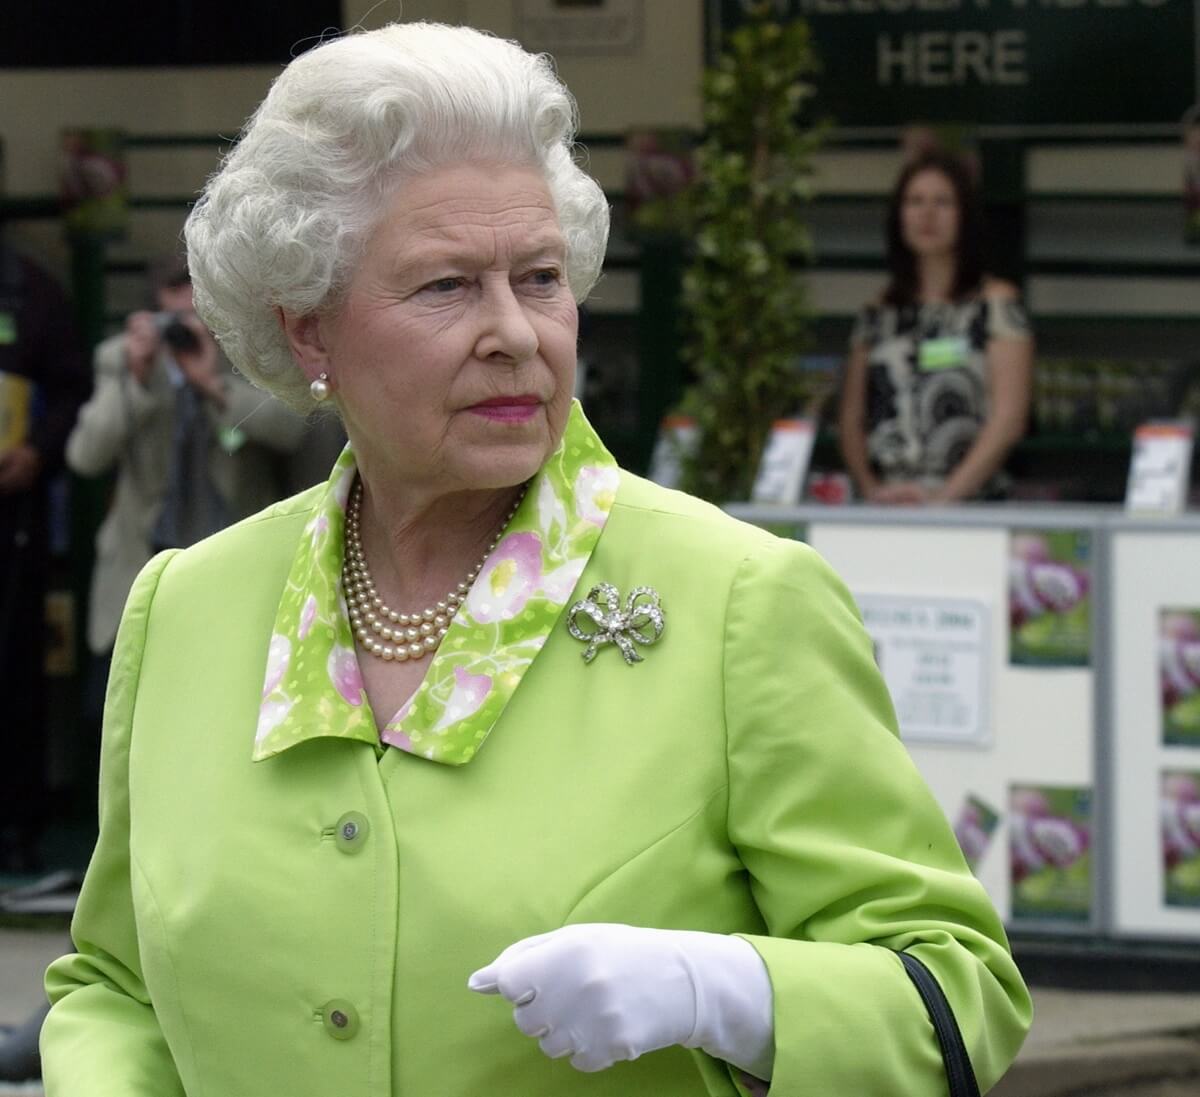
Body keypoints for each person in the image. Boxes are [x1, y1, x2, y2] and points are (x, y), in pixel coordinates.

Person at [41, 23, 1031, 1096]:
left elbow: (959, 996)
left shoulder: (740, 600)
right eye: (447, 287)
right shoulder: (188, 605)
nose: (516, 331)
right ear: (310, 330)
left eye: (542, 277)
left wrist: (728, 988)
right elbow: (116, 981)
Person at [66, 255, 307, 739]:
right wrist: (136, 379)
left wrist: (211, 384)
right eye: (173, 311)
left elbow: (293, 432)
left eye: (196, 308)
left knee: (221, 718)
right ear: (156, 308)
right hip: (141, 560)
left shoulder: (246, 353)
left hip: (231, 557)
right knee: (124, 721)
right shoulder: (123, 358)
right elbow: (86, 456)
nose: (185, 323)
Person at [838, 150, 1035, 504]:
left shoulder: (996, 305)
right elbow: (851, 418)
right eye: (915, 202)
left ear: (965, 214)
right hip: (886, 503)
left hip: (969, 505)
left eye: (942, 202)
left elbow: (1009, 418)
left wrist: (944, 497)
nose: (927, 215)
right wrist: (870, 489)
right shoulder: (877, 313)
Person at [0, 241, 90, 874]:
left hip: (12, 515)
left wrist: (36, 452)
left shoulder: (28, 287)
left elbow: (72, 387)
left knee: (12, 668)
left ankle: (14, 830)